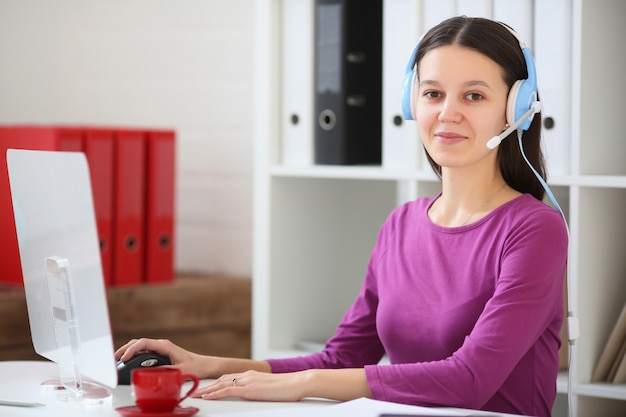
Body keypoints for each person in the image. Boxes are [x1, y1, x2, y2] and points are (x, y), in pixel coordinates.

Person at [116, 16, 568, 417]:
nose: (447, 114)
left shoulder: (534, 230)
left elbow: (470, 379)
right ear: (414, 104)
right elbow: (340, 359)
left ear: (515, 109)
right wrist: (207, 364)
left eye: (473, 95)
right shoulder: (401, 224)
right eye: (432, 93)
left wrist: (300, 386)